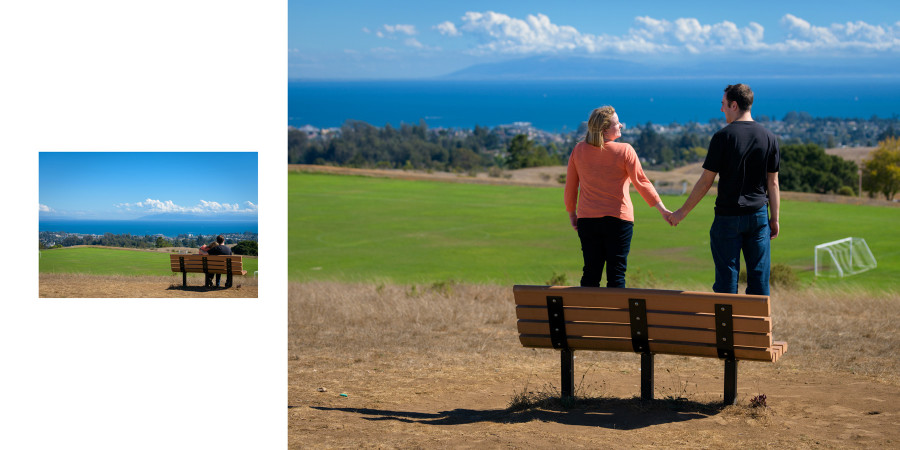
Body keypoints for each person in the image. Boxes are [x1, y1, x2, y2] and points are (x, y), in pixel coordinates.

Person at [668, 84, 780, 295]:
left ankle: (728, 327)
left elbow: (705, 181)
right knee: (759, 279)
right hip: (758, 217)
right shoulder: (769, 138)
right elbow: (773, 183)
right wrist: (774, 219)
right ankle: (756, 327)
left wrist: (681, 212)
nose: (721, 110)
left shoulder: (723, 137)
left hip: (728, 217)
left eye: (723, 104)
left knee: (727, 280)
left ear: (734, 105)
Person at [565, 106, 672, 288]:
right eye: (617, 123)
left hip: (588, 220)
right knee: (616, 275)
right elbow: (641, 182)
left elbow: (571, 186)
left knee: (591, 273)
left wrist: (572, 214)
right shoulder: (625, 151)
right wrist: (662, 210)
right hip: (619, 220)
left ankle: (586, 314)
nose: (621, 125)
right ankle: (615, 316)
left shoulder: (579, 150)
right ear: (605, 129)